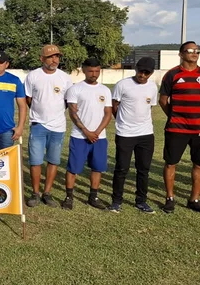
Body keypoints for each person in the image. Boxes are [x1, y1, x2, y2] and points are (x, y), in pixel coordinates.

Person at [24, 44, 73, 208]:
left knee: (53, 161)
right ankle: (35, 193)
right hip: (38, 125)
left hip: (58, 127)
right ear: (42, 59)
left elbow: (67, 101)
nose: (55, 60)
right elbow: (29, 99)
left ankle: (47, 193)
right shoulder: (33, 76)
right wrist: (40, 114)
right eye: (51, 57)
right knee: (35, 161)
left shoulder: (65, 78)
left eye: (57, 56)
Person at [108, 57, 158, 214]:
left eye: (146, 72)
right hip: (125, 134)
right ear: (135, 69)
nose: (142, 75)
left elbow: (149, 108)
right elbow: (114, 106)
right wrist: (122, 123)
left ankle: (141, 201)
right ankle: (116, 202)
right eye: (140, 71)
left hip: (146, 134)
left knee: (143, 169)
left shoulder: (153, 87)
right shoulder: (122, 85)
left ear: (151, 73)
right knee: (121, 168)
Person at [62, 57, 112, 210]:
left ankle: (93, 196)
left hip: (99, 137)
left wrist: (96, 132)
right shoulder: (75, 89)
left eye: (97, 71)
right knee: (73, 168)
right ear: (83, 70)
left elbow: (108, 114)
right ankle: (69, 197)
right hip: (80, 137)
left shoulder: (105, 90)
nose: (94, 74)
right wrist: (86, 131)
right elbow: (72, 113)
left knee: (97, 168)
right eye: (90, 71)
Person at [159, 41, 200, 213]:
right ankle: (170, 198)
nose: (194, 53)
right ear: (181, 54)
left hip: (198, 130)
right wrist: (175, 117)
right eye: (190, 50)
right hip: (176, 129)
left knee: (198, 165)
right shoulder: (172, 74)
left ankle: (194, 199)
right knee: (171, 163)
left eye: (197, 50)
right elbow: (163, 100)